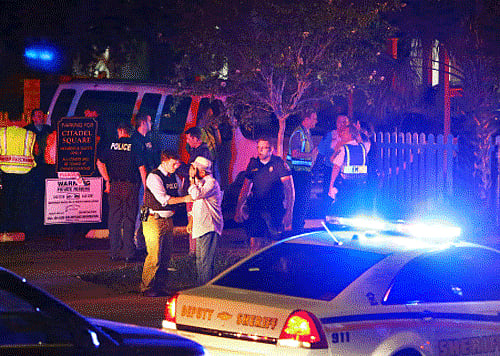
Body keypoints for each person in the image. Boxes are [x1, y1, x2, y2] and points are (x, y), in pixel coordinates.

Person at [140, 151, 190, 297]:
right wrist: (186, 199)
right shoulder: (154, 176)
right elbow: (165, 199)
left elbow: (180, 194)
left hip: (168, 218)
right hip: (152, 218)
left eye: (177, 163)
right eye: (173, 163)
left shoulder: (174, 176)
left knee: (166, 254)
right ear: (164, 162)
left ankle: (160, 285)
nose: (176, 166)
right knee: (154, 254)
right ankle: (146, 287)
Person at [96, 121, 146, 262]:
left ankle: (114, 252)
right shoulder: (135, 145)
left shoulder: (111, 145)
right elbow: (142, 168)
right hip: (131, 186)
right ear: (129, 132)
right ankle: (129, 252)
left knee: (114, 219)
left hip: (114, 185)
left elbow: (99, 162)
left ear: (119, 131)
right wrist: (146, 187)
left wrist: (107, 179)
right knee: (129, 218)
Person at [235, 138, 294, 252]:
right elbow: (245, 188)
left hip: (274, 209)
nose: (260, 150)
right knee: (255, 244)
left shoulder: (278, 164)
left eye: (263, 148)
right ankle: (255, 268)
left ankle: (279, 269)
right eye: (258, 147)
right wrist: (239, 208)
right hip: (256, 209)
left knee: (276, 245)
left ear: (271, 149)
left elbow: (289, 189)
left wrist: (289, 211)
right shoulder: (253, 164)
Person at [187, 156, 223, 285]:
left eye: (194, 168)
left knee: (206, 261)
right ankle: (200, 287)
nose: (191, 170)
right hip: (201, 226)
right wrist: (191, 220)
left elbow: (196, 195)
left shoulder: (211, 183)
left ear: (202, 171)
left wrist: (191, 179)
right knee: (200, 260)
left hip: (209, 226)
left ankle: (205, 289)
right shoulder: (201, 183)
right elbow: (197, 204)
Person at [132, 113, 160, 258]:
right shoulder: (136, 141)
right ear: (142, 123)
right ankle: (138, 243)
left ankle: (145, 241)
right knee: (142, 211)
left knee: (149, 210)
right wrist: (146, 187)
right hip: (144, 182)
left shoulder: (147, 139)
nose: (151, 123)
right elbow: (141, 165)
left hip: (151, 180)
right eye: (149, 121)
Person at [328, 123, 371, 217]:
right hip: (361, 185)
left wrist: (331, 185)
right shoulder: (363, 147)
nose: (342, 134)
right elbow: (367, 141)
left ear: (350, 135)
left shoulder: (344, 149)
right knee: (357, 209)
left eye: (345, 132)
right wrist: (359, 131)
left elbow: (335, 166)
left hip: (346, 185)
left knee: (345, 209)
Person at [0, 125, 37, 234]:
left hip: (6, 171)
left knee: (6, 201)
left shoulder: (2, 132)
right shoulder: (29, 134)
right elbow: (36, 150)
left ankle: (5, 228)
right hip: (25, 172)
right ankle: (22, 228)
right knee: (22, 201)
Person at [286, 109, 318, 233]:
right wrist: (310, 155)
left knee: (304, 201)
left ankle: (299, 226)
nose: (316, 121)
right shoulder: (299, 133)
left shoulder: (307, 132)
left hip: (304, 172)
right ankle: (297, 228)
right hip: (298, 173)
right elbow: (295, 154)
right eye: (314, 118)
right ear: (306, 119)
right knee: (300, 200)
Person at [24, 109, 55, 235]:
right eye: (38, 116)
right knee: (32, 195)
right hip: (32, 167)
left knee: (45, 194)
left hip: (46, 167)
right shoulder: (27, 130)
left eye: (42, 116)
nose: (41, 118)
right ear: (32, 118)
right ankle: (31, 224)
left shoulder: (49, 130)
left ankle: (45, 223)